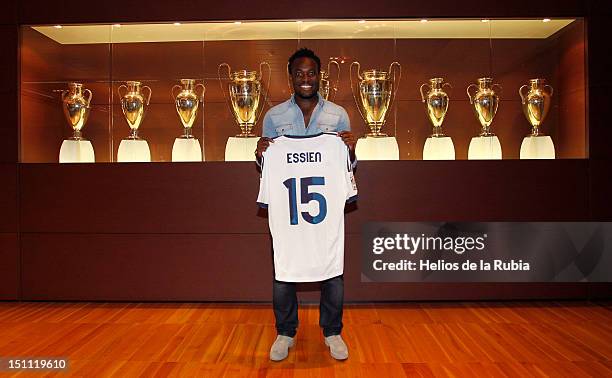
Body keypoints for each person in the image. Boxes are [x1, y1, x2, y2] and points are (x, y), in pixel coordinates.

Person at [255, 48, 357, 361]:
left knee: (332, 271)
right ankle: (285, 332)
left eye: (311, 72)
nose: (305, 79)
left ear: (319, 75)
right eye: (299, 73)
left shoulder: (338, 115)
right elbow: (268, 169)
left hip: (324, 216)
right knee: (284, 272)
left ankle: (332, 331)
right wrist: (260, 154)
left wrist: (351, 151)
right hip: (290, 215)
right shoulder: (274, 117)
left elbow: (346, 167)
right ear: (291, 78)